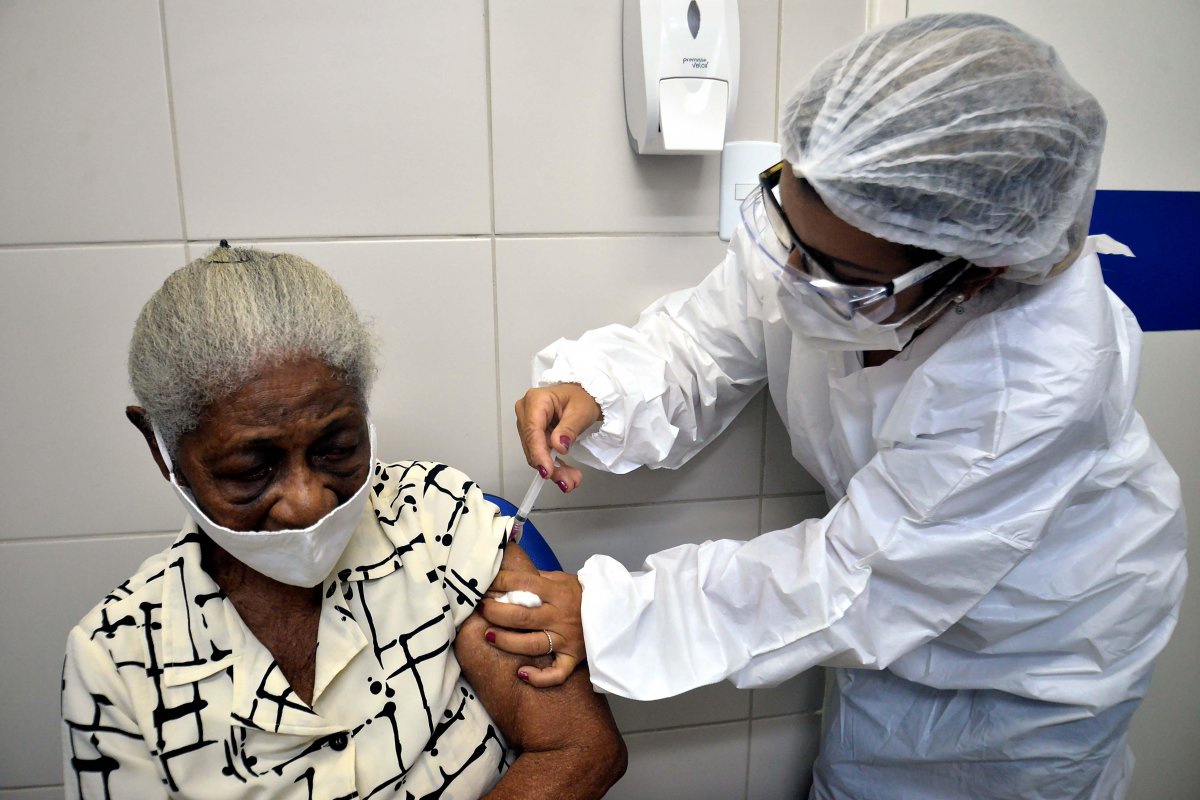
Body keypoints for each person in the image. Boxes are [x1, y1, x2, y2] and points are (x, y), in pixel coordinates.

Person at [479, 13, 1187, 800]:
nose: (787, 271)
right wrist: (605, 389)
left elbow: (852, 576)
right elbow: (708, 336)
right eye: (785, 223)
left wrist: (612, 616)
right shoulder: (830, 214)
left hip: (1032, 659)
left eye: (832, 272)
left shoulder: (1033, 377)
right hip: (885, 618)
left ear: (974, 275)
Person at [60, 245, 626, 799]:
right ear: (161, 448)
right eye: (250, 468)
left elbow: (579, 747)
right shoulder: (119, 659)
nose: (307, 503)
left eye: (337, 447)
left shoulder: (434, 518)